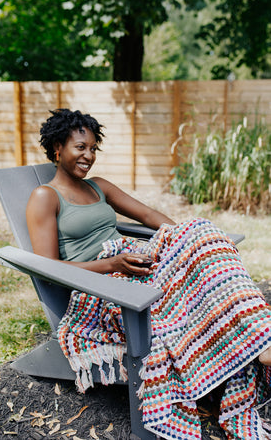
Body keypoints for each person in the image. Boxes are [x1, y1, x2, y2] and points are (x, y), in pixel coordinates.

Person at [26, 109, 271, 440]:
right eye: (80, 147)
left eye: (93, 148)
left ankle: (257, 334)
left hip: (133, 267)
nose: (89, 155)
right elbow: (50, 269)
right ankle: (258, 339)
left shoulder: (98, 187)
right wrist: (113, 264)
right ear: (57, 148)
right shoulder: (44, 196)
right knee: (199, 251)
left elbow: (146, 213)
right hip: (99, 290)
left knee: (201, 232)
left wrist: (184, 239)